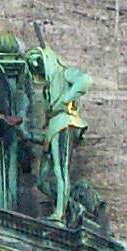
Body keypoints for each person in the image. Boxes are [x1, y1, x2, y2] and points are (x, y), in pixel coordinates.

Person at [24, 46, 92, 222]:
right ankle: (71, 206)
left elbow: (85, 80)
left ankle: (59, 213)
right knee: (42, 181)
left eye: (36, 62)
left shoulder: (63, 74)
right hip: (55, 126)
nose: (35, 67)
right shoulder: (49, 88)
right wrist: (27, 135)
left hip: (64, 124)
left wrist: (66, 98)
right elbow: (47, 133)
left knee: (60, 170)